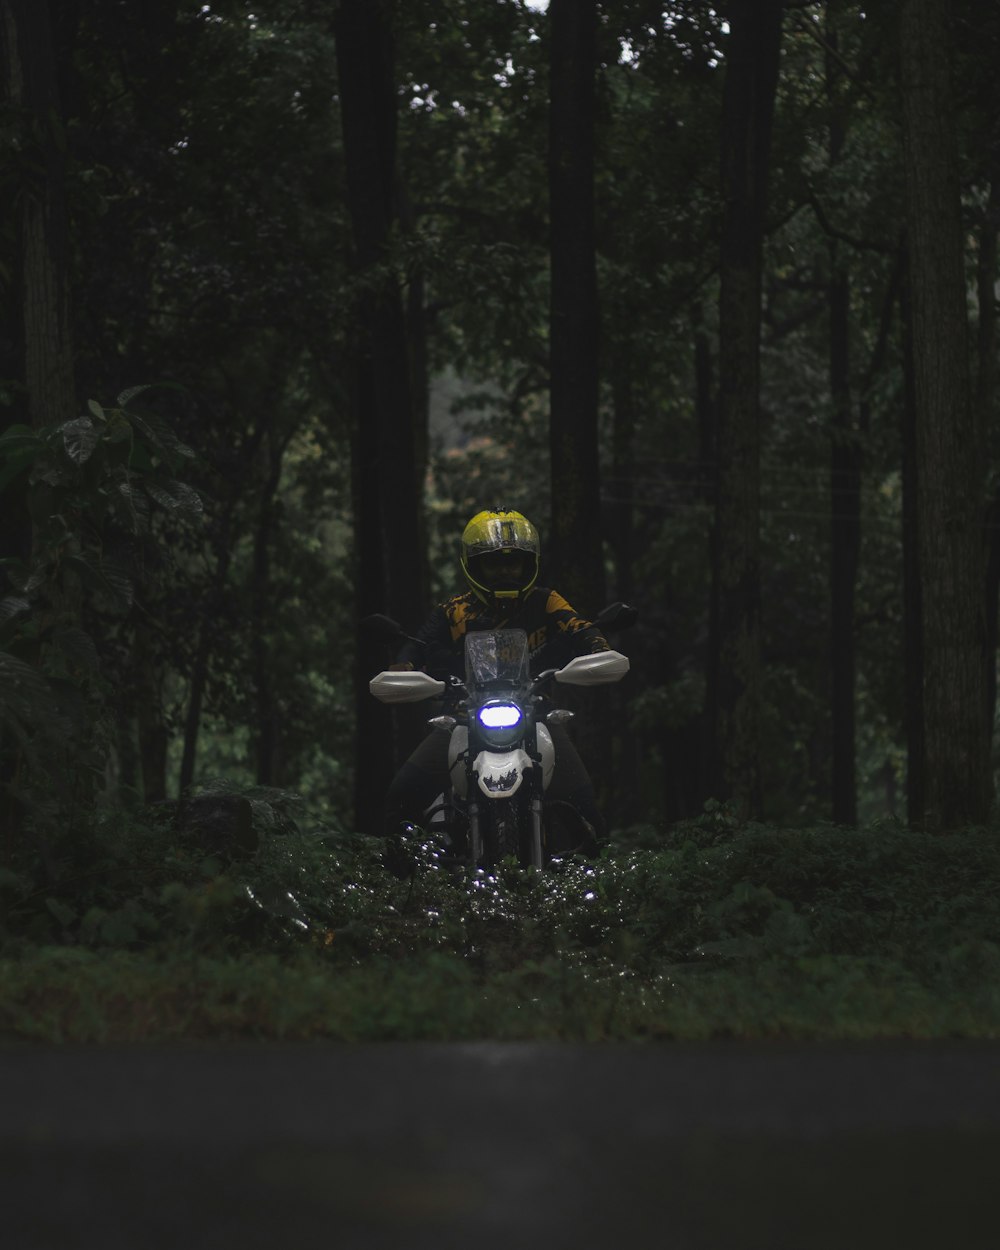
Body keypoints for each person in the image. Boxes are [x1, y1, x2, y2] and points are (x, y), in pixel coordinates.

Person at [381, 507, 612, 853]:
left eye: (513, 562)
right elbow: (419, 645)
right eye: (494, 563)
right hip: (461, 717)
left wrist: (598, 646)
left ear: (528, 565)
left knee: (585, 805)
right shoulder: (453, 611)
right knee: (401, 795)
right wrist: (404, 667)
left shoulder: (546, 601)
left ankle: (598, 880)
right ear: (474, 567)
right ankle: (396, 881)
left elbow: (578, 627)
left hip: (536, 715)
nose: (505, 571)